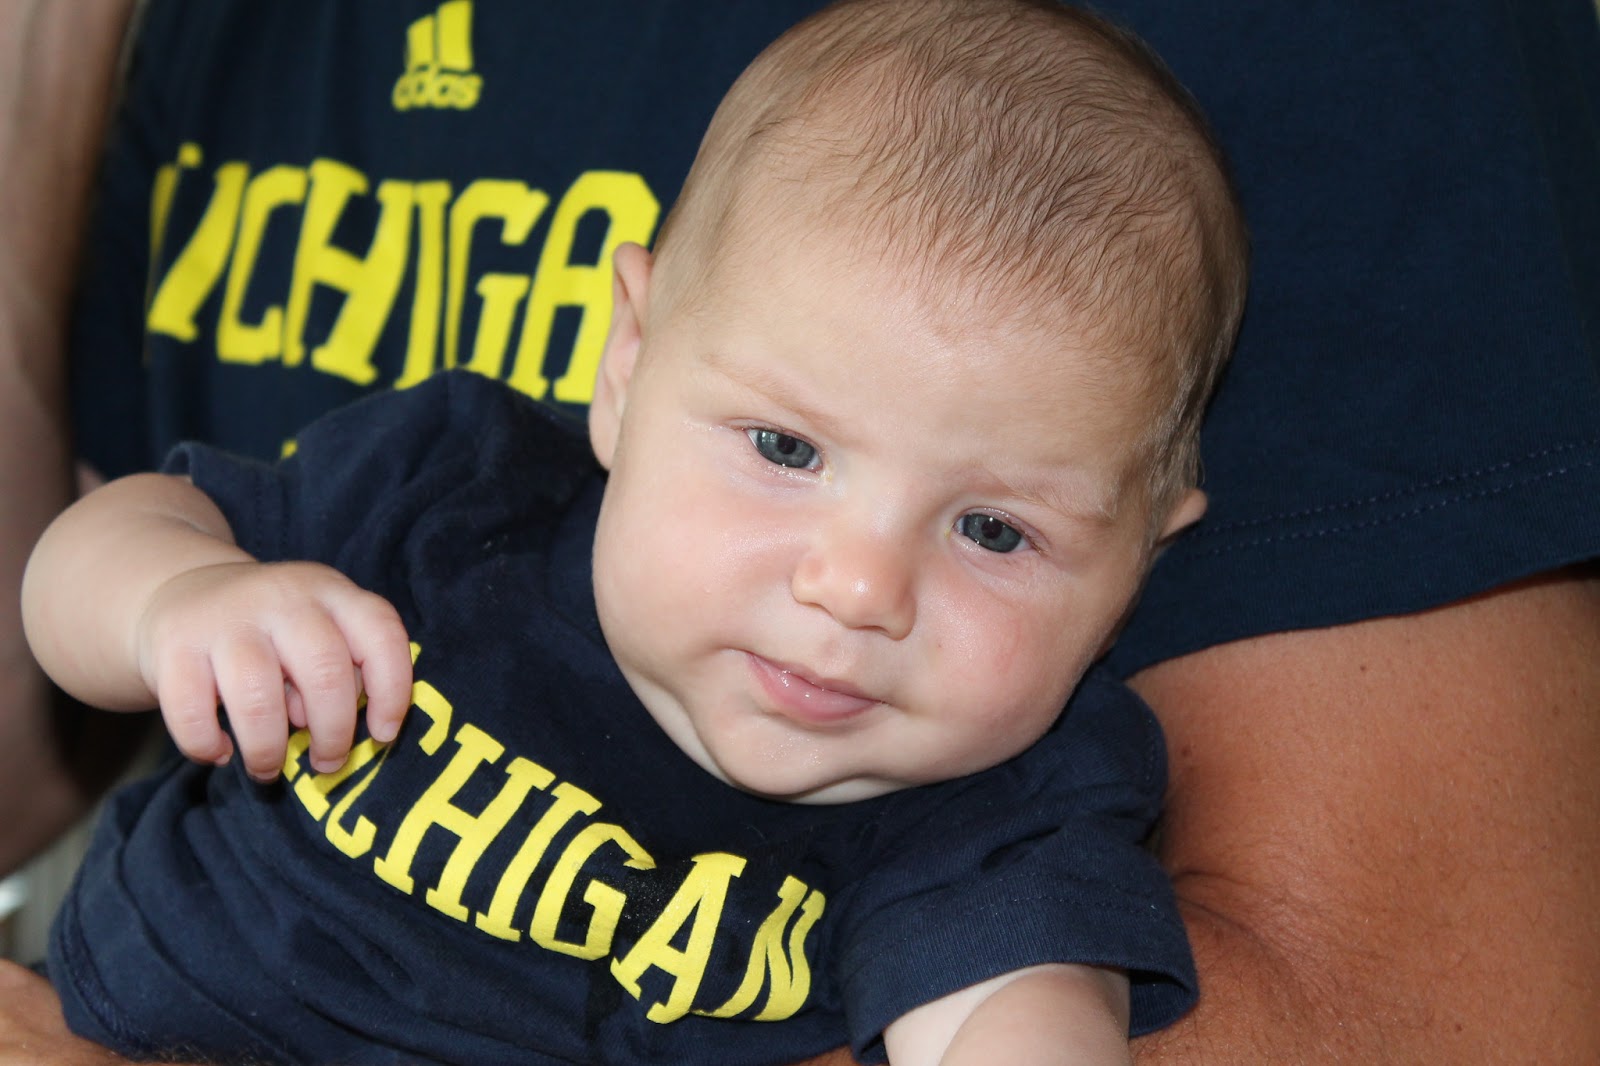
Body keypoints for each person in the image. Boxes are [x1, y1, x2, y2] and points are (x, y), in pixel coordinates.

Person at [2, 1, 1598, 1064]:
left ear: (1142, 554)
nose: (857, 584)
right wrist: (177, 597)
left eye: (995, 529)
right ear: (627, 364)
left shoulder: (997, 812)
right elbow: (86, 565)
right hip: (101, 991)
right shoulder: (455, 491)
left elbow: (1017, 1009)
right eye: (783, 449)